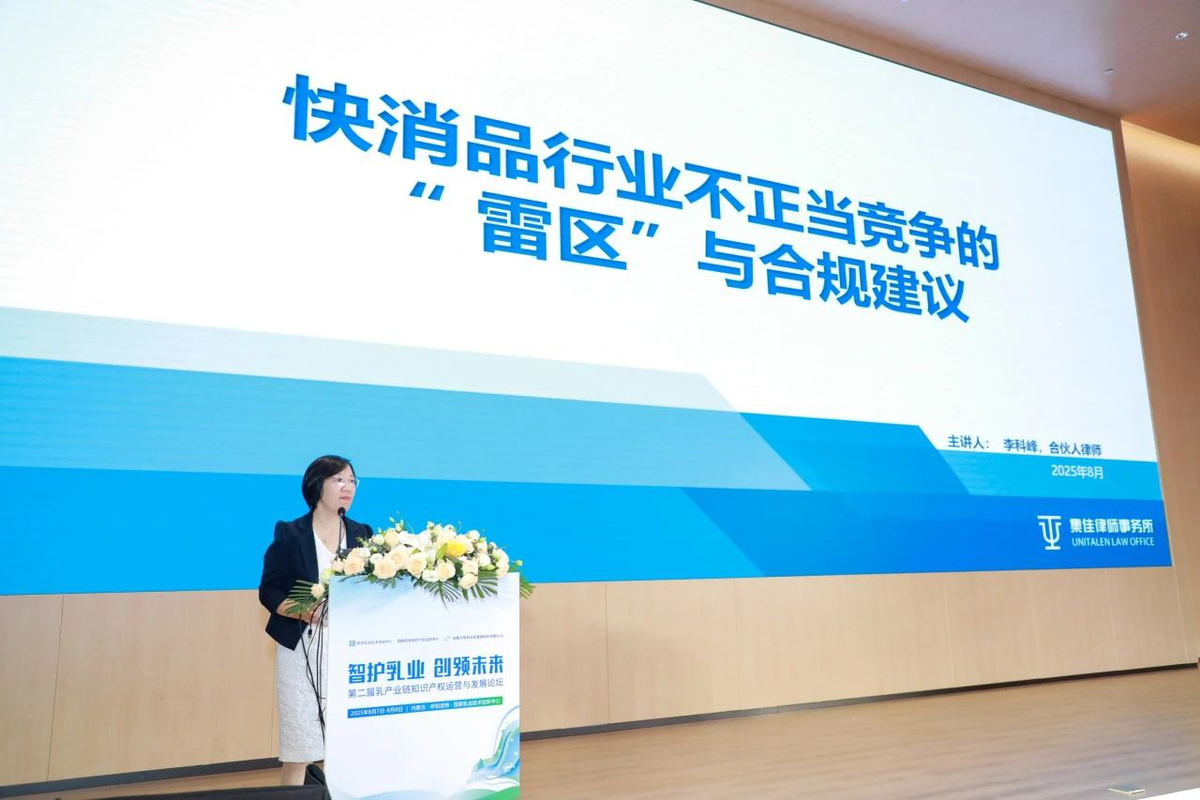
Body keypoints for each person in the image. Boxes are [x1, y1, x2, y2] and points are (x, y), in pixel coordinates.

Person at [258, 455, 373, 786]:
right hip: (301, 650)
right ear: (316, 485)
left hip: (348, 650)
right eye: (339, 480)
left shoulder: (362, 533)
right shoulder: (290, 534)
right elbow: (269, 591)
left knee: (346, 744)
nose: (347, 487)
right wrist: (302, 609)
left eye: (352, 481)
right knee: (300, 747)